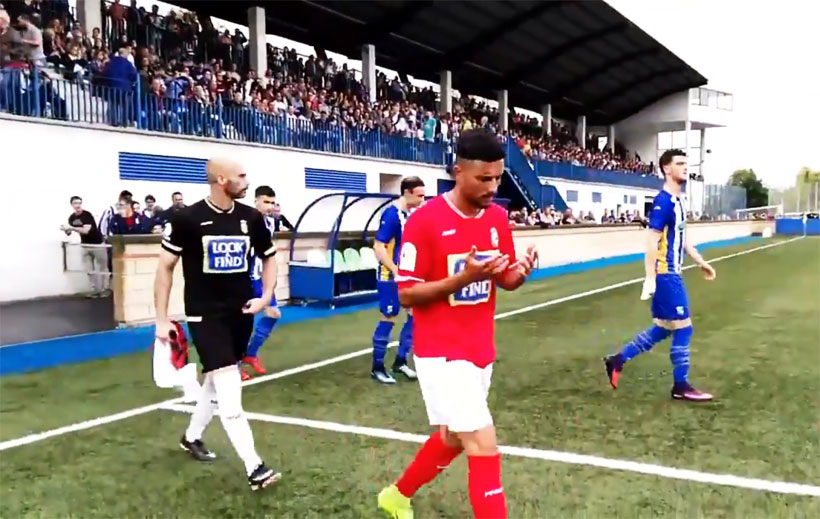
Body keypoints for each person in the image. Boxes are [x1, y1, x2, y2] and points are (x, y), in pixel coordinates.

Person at [377, 130, 538, 519]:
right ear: (458, 171)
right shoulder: (425, 221)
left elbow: (504, 278)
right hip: (442, 352)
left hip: (480, 348)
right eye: (483, 179)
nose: (492, 187)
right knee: (482, 443)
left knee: (452, 437)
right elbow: (407, 294)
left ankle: (396, 496)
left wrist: (520, 271)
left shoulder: (497, 217)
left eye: (497, 178)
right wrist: (461, 279)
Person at [154, 158, 280, 490]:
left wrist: (266, 296)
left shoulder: (251, 218)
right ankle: (255, 467)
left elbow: (269, 257)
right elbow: (165, 268)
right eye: (241, 176)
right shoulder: (186, 219)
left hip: (241, 313)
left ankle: (191, 436)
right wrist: (161, 318)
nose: (246, 181)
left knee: (215, 378)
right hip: (204, 315)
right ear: (221, 179)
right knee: (229, 391)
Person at [604, 149, 716, 401]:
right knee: (684, 329)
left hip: (673, 273)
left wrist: (701, 262)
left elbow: (683, 239)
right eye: (680, 163)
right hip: (666, 275)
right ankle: (681, 385)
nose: (685, 167)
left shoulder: (679, 201)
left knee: (663, 329)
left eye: (686, 163)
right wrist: (650, 278)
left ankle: (617, 360)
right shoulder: (663, 202)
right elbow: (651, 241)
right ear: (666, 169)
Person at [370, 176, 426, 384]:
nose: (422, 200)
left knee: (414, 315)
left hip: (409, 274)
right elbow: (378, 247)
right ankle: (377, 367)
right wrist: (395, 270)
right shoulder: (391, 214)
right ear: (407, 193)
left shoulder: (412, 214)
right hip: (390, 275)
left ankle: (401, 361)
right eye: (419, 195)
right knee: (389, 316)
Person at [241, 185, 282, 380]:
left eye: (272, 203)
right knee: (242, 322)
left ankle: (250, 354)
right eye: (266, 202)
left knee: (273, 313)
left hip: (260, 277)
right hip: (246, 278)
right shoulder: (245, 221)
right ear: (256, 200)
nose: (270, 206)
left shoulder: (270, 222)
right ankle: (234, 364)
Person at [62, 196, 107, 297]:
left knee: (101, 268)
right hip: (85, 245)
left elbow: (86, 230)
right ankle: (93, 289)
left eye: (79, 203)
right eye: (75, 203)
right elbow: (69, 232)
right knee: (89, 269)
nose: (78, 205)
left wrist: (72, 228)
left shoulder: (87, 215)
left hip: (97, 244)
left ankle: (103, 289)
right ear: (72, 205)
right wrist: (66, 229)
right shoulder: (72, 218)